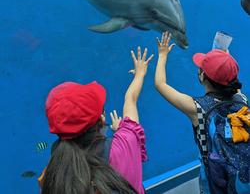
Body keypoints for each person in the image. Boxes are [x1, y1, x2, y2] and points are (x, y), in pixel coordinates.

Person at [38, 47, 153, 194]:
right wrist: (140, 74)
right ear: (101, 119)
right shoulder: (124, 145)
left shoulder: (55, 171)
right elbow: (130, 99)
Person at [154, 31, 249, 194]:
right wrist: (225, 59)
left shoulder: (198, 108)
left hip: (215, 180)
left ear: (202, 76)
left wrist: (162, 55)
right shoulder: (241, 100)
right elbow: (231, 78)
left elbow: (160, 84)